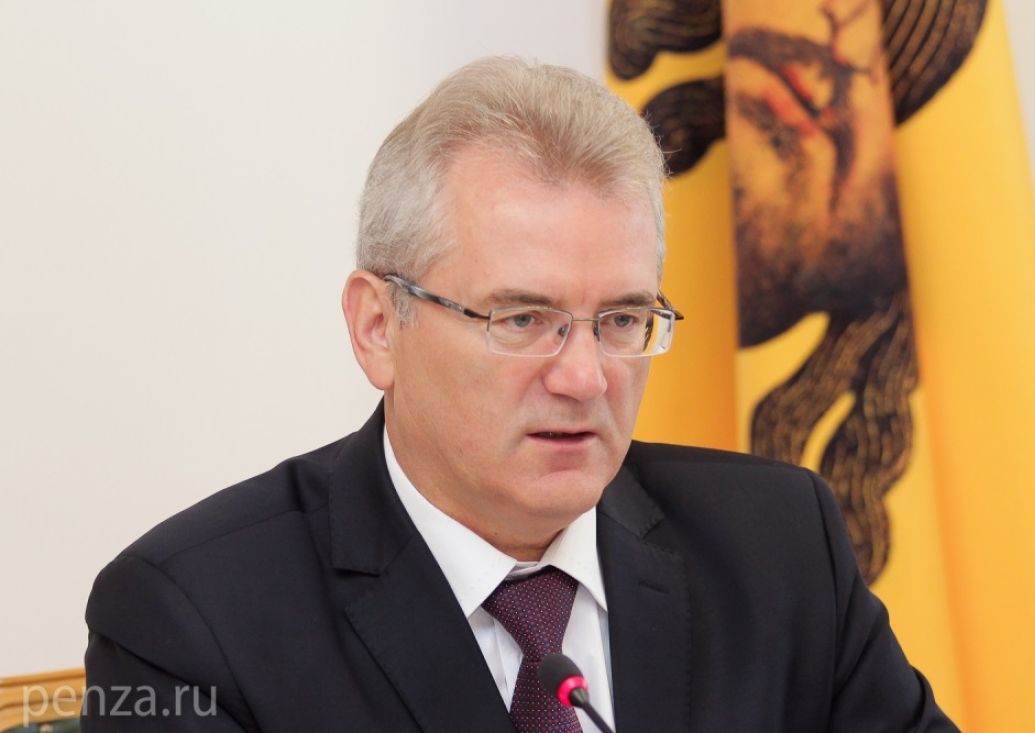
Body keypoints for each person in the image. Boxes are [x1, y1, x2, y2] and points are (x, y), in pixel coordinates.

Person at [83, 56, 957, 732]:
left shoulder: (779, 547)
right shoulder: (192, 617)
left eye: (622, 319)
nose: (584, 376)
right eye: (523, 319)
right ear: (379, 327)